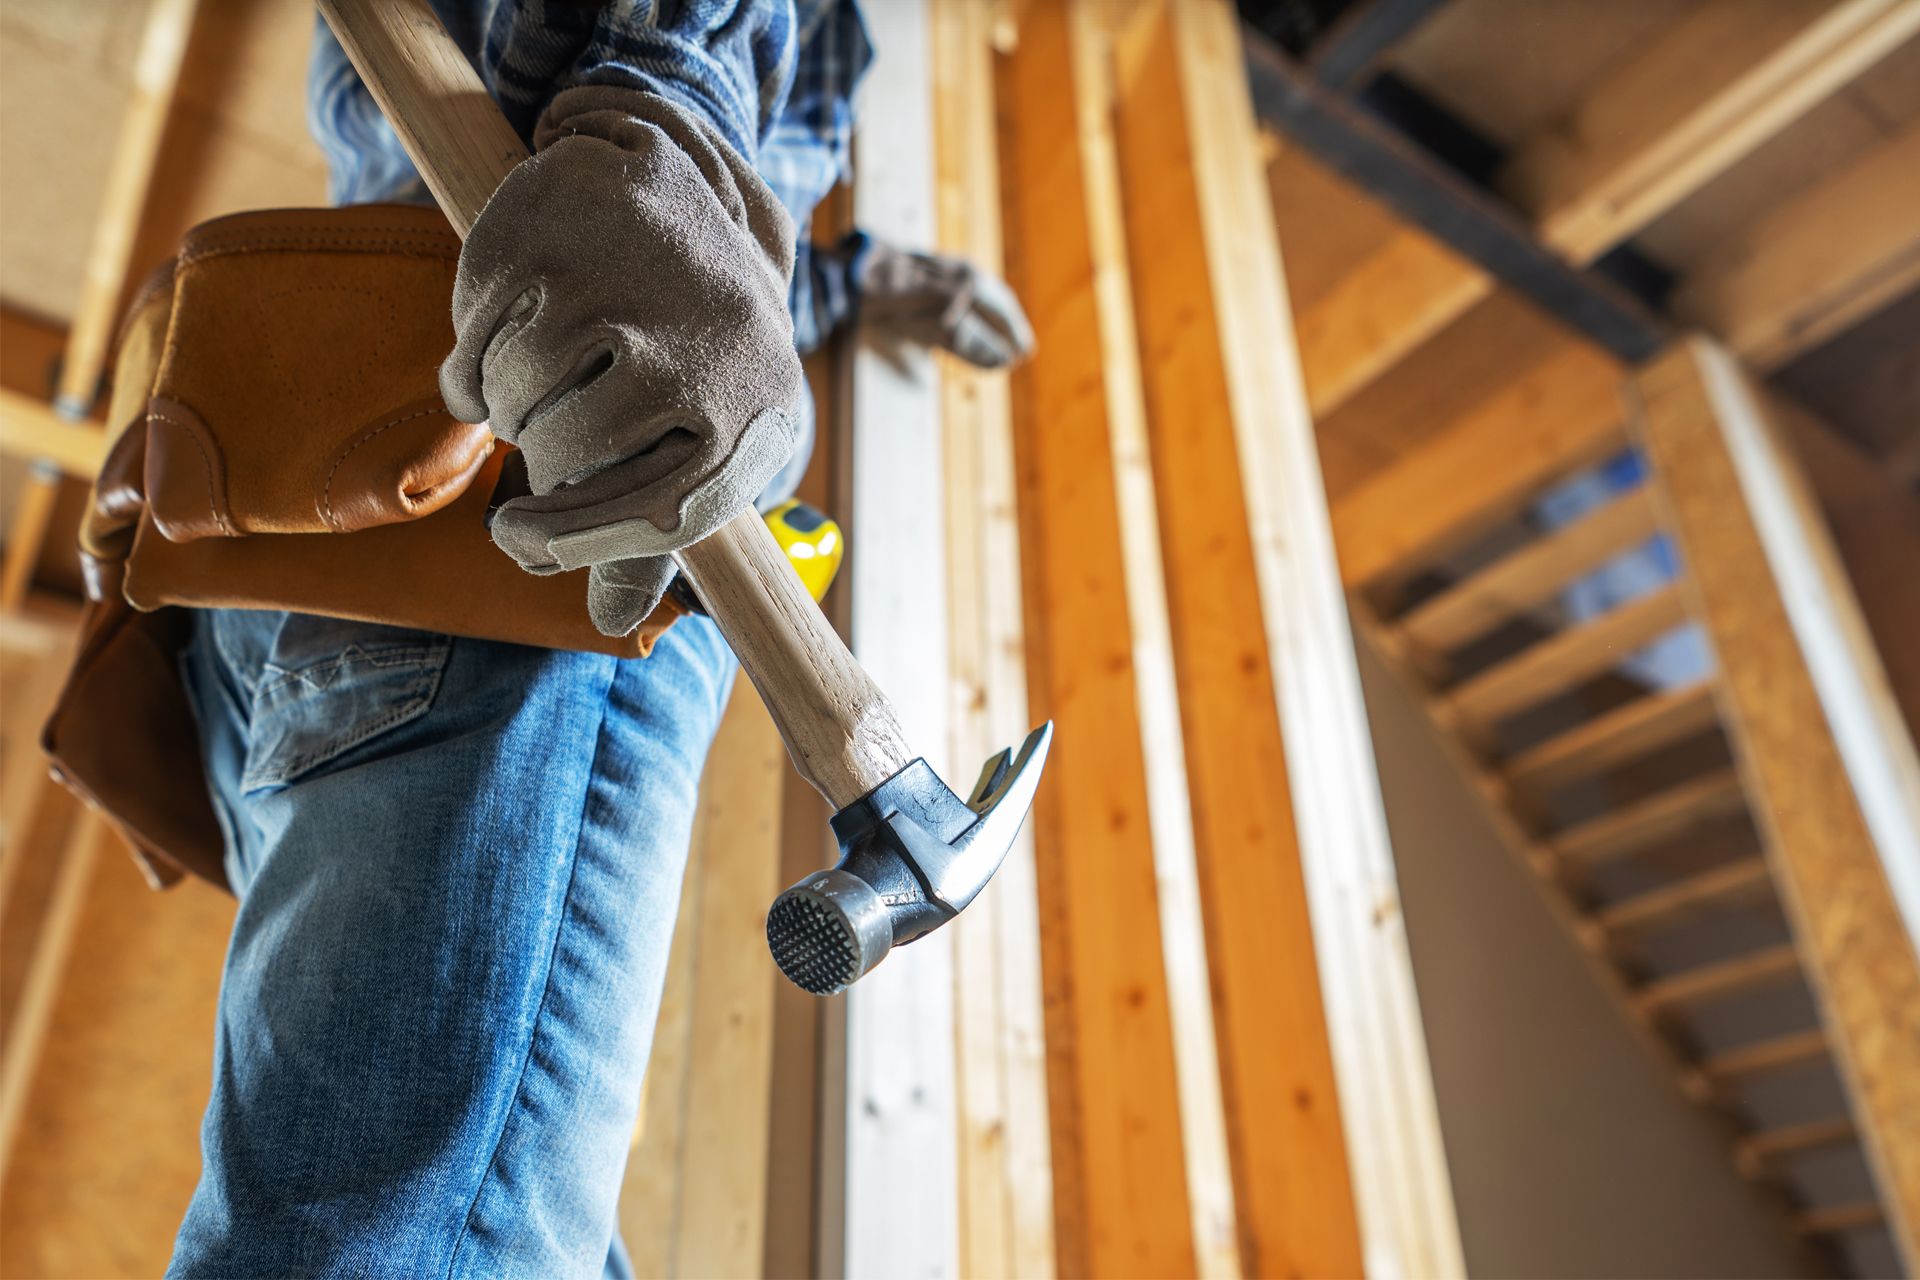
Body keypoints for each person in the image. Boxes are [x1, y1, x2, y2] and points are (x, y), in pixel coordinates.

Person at [165, 2, 1031, 1275]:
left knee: (460, 1216)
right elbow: (631, 216)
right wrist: (666, 133)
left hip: (297, 531)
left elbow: (615, 245)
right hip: (526, 554)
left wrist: (852, 274)